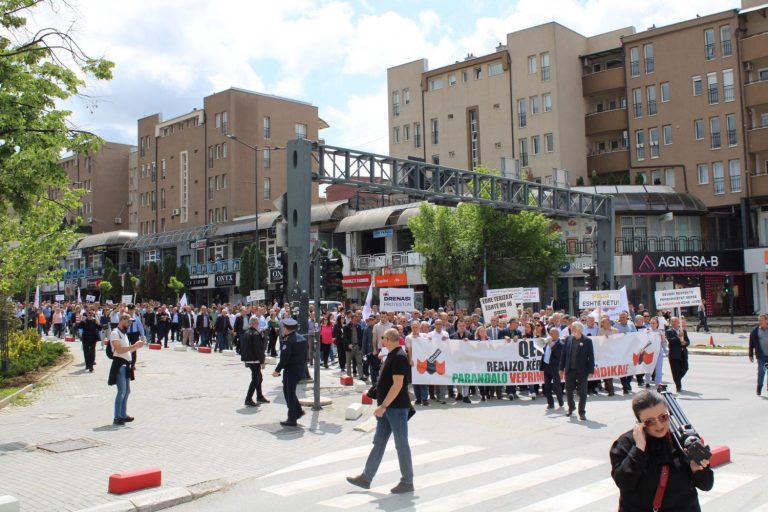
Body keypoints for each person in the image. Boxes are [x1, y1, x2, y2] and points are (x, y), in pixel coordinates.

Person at [610, 390, 713, 512]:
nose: (659, 426)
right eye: (650, 421)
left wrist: (698, 471)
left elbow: (707, 485)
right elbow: (624, 483)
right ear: (639, 423)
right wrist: (639, 449)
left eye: (663, 417)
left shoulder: (682, 440)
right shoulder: (626, 443)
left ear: (669, 414)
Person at [347, 328, 414, 494]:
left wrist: (383, 406)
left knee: (401, 444)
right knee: (379, 443)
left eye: (384, 339)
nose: (382, 342)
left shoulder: (399, 357)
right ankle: (366, 477)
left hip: (396, 408)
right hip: (387, 409)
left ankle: (407, 481)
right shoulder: (392, 355)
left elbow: (398, 385)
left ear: (389, 340)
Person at [108, 313, 144, 425]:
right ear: (122, 320)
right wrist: (134, 346)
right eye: (128, 321)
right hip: (119, 365)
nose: (129, 324)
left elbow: (127, 351)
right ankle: (117, 417)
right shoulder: (115, 333)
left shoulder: (124, 334)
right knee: (121, 391)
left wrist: (136, 346)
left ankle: (123, 414)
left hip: (126, 365)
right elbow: (119, 350)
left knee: (127, 391)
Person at [272, 318, 307, 427]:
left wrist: (277, 370)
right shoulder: (302, 339)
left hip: (291, 370)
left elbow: (284, 359)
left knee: (289, 394)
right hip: (299, 369)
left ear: (286, 328)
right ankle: (298, 411)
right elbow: (306, 356)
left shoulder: (288, 341)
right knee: (289, 391)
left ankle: (292, 418)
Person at [560, 321, 594, 421]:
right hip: (570, 369)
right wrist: (561, 368)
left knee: (583, 392)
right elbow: (564, 355)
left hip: (582, 371)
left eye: (573, 328)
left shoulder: (587, 341)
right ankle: (571, 407)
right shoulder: (569, 339)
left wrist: (591, 370)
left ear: (579, 330)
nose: (571, 330)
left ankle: (582, 412)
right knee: (569, 390)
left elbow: (591, 357)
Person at [241, 316, 269, 406]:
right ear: (254, 324)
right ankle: (248, 399)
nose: (258, 325)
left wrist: (245, 359)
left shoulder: (246, 333)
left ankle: (259, 396)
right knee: (255, 379)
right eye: (257, 323)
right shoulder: (256, 334)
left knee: (259, 378)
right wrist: (262, 361)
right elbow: (258, 349)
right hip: (254, 360)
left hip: (249, 359)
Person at [542, 326, 564, 410]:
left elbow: (559, 356)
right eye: (550, 333)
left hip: (555, 367)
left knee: (556, 385)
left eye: (552, 333)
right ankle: (550, 403)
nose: (550, 335)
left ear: (557, 334)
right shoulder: (547, 342)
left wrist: (552, 346)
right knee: (547, 386)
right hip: (546, 366)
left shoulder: (560, 344)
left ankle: (560, 400)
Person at [665, 317, 689, 393]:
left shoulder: (683, 331)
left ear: (678, 322)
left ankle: (677, 379)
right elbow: (670, 341)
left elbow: (688, 341)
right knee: (676, 371)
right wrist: (678, 336)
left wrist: (685, 343)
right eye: (673, 321)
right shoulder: (669, 331)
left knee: (685, 368)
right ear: (671, 323)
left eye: (676, 321)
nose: (675, 323)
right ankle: (678, 386)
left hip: (683, 353)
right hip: (674, 354)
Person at [749, 314, 768, 396]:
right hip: (761, 356)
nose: (760, 322)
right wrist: (750, 355)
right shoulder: (755, 331)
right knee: (761, 372)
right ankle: (759, 387)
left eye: (762, 320)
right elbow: (751, 344)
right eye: (759, 320)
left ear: (767, 320)